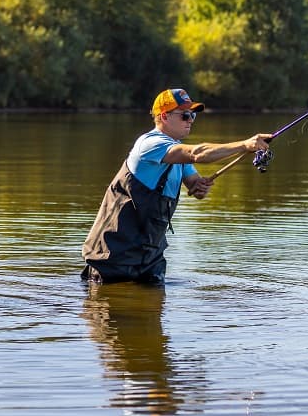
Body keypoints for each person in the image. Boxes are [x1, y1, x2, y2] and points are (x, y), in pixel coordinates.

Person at [82, 88, 270, 284]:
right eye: (185, 115)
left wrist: (200, 186)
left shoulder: (179, 155)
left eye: (193, 115)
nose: (190, 120)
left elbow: (195, 187)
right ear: (164, 116)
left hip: (150, 257)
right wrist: (245, 145)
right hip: (114, 253)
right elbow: (197, 153)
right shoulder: (150, 144)